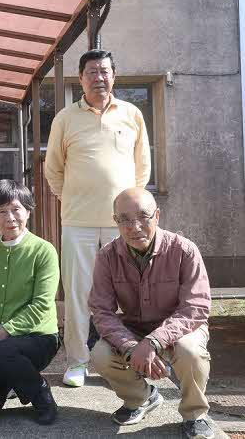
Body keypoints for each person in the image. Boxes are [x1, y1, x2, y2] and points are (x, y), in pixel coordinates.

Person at [44, 49, 151, 387]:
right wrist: (73, 198)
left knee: (128, 294)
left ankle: (125, 359)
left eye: (104, 71)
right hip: (78, 222)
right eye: (91, 72)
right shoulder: (65, 118)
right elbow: (53, 169)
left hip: (124, 226)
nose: (99, 77)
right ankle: (77, 362)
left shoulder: (132, 114)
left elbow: (142, 167)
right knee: (79, 295)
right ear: (81, 78)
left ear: (114, 76)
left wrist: (132, 213)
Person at [89, 188, 213, 439]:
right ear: (115, 221)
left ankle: (195, 414)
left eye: (143, 217)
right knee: (100, 354)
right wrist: (131, 347)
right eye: (124, 219)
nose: (134, 227)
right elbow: (102, 311)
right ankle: (141, 398)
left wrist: (154, 341)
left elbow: (196, 307)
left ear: (157, 215)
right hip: (135, 327)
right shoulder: (107, 256)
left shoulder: (184, 250)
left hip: (180, 327)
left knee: (190, 352)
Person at [0, 180, 60, 425]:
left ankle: (40, 393)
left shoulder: (44, 250)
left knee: (0, 353)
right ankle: (14, 379)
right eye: (2, 211)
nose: (10, 218)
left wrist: (0, 335)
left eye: (16, 209)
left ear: (28, 211)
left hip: (38, 337)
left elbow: (41, 305)